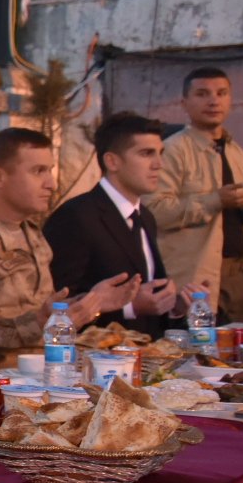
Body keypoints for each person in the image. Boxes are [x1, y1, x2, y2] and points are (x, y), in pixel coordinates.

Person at [0, 128, 137, 373]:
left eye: (50, 170)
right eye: (38, 171)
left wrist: (91, 302)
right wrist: (34, 325)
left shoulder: (32, 233)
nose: (51, 184)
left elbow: (38, 310)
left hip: (41, 382)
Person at [150, 67, 243, 324]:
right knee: (191, 357)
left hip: (239, 273)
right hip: (194, 282)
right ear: (185, 103)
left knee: (240, 358)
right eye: (202, 94)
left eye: (221, 93)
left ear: (230, 100)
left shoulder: (235, 151)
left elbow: (236, 219)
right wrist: (215, 200)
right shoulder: (173, 150)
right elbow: (154, 212)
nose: (213, 101)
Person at [43, 112, 198, 341]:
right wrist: (129, 307)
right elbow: (58, 304)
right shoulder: (76, 216)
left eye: (160, 153)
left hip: (146, 360)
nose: (158, 164)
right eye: (146, 154)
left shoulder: (145, 217)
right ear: (112, 161)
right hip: (93, 363)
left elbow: (148, 301)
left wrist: (174, 307)